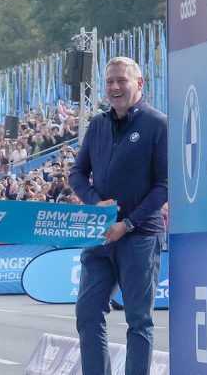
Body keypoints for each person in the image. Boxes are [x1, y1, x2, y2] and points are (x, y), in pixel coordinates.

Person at [68, 57, 167, 375]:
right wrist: (95, 202)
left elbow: (165, 185)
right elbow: (77, 173)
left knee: (139, 320)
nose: (114, 87)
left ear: (139, 83)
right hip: (99, 235)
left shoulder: (158, 124)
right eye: (109, 81)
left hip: (139, 236)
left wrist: (128, 224)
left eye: (121, 80)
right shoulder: (97, 124)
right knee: (87, 311)